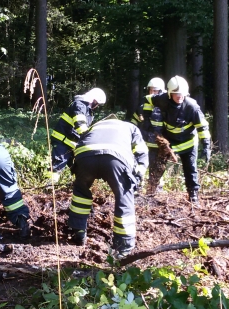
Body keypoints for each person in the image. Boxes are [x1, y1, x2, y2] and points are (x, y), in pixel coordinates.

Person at [66, 119, 148, 258]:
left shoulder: (96, 126)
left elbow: (79, 142)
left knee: (80, 191)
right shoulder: (131, 127)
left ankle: (78, 231)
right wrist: (138, 175)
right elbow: (142, 152)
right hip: (115, 157)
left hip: (86, 156)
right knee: (124, 196)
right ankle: (124, 246)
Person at [143, 76, 210, 203]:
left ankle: (193, 195)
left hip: (188, 142)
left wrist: (206, 145)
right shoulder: (162, 100)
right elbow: (147, 99)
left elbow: (202, 127)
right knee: (158, 167)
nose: (180, 96)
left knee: (190, 169)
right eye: (176, 94)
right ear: (170, 93)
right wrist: (147, 117)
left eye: (182, 94)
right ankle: (150, 193)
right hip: (169, 142)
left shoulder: (192, 107)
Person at [47, 88, 107, 184]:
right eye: (96, 103)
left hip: (72, 142)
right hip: (62, 140)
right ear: (93, 99)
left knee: (78, 166)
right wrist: (88, 139)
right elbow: (80, 124)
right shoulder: (79, 105)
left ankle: (78, 185)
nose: (96, 106)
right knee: (58, 164)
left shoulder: (87, 110)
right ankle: (49, 186)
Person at [132, 77, 165, 163]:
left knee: (156, 165)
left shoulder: (165, 105)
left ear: (160, 91)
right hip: (144, 141)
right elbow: (135, 120)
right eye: (150, 90)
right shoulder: (143, 103)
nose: (151, 93)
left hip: (158, 143)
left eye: (154, 91)